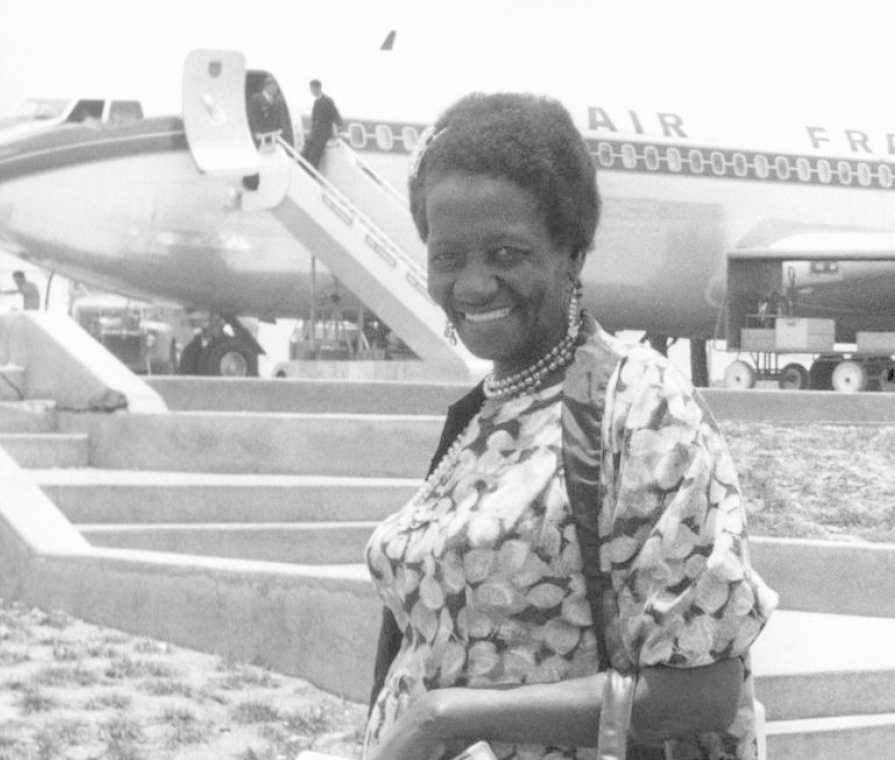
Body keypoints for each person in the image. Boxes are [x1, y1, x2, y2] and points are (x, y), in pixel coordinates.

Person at [363, 93, 777, 760]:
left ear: (572, 253)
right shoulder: (482, 413)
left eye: (505, 252)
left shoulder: (637, 406)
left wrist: (445, 719)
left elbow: (698, 693)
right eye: (447, 257)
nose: (471, 284)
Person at [302, 78, 343, 168]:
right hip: (315, 131)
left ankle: (311, 174)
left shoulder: (327, 100)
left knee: (314, 155)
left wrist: (339, 125)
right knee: (304, 153)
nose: (312, 91)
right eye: (311, 89)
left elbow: (334, 113)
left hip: (323, 132)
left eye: (313, 88)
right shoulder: (316, 101)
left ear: (319, 88)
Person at [247, 76, 285, 145]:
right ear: (267, 86)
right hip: (260, 135)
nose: (276, 89)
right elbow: (252, 117)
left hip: (273, 135)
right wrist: (256, 132)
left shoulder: (277, 100)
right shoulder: (256, 99)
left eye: (276, 87)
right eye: (274, 86)